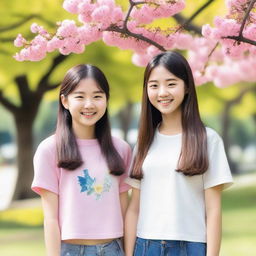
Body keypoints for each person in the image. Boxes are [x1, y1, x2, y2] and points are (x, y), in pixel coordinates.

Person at [125, 51, 233, 256]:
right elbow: (133, 208)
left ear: (187, 88)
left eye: (171, 83)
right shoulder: (144, 142)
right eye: (154, 85)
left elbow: (213, 210)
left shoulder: (208, 139)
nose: (162, 92)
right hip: (146, 246)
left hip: (191, 246)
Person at [32, 64, 132, 256]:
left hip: (114, 249)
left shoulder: (121, 149)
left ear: (106, 100)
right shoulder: (50, 150)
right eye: (80, 96)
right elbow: (50, 218)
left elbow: (125, 212)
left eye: (97, 96)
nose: (89, 104)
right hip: (70, 250)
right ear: (65, 101)